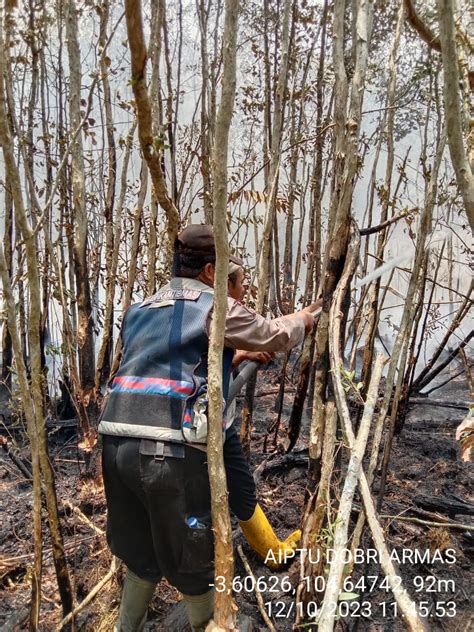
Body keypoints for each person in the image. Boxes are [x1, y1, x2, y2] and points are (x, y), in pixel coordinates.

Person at [99, 225, 322, 631]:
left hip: (115, 443)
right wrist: (304, 319)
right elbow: (274, 333)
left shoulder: (141, 308)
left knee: (141, 555)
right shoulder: (213, 305)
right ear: (208, 272)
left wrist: (232, 358)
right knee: (192, 560)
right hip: (167, 452)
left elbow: (167, 360)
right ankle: (207, 623)